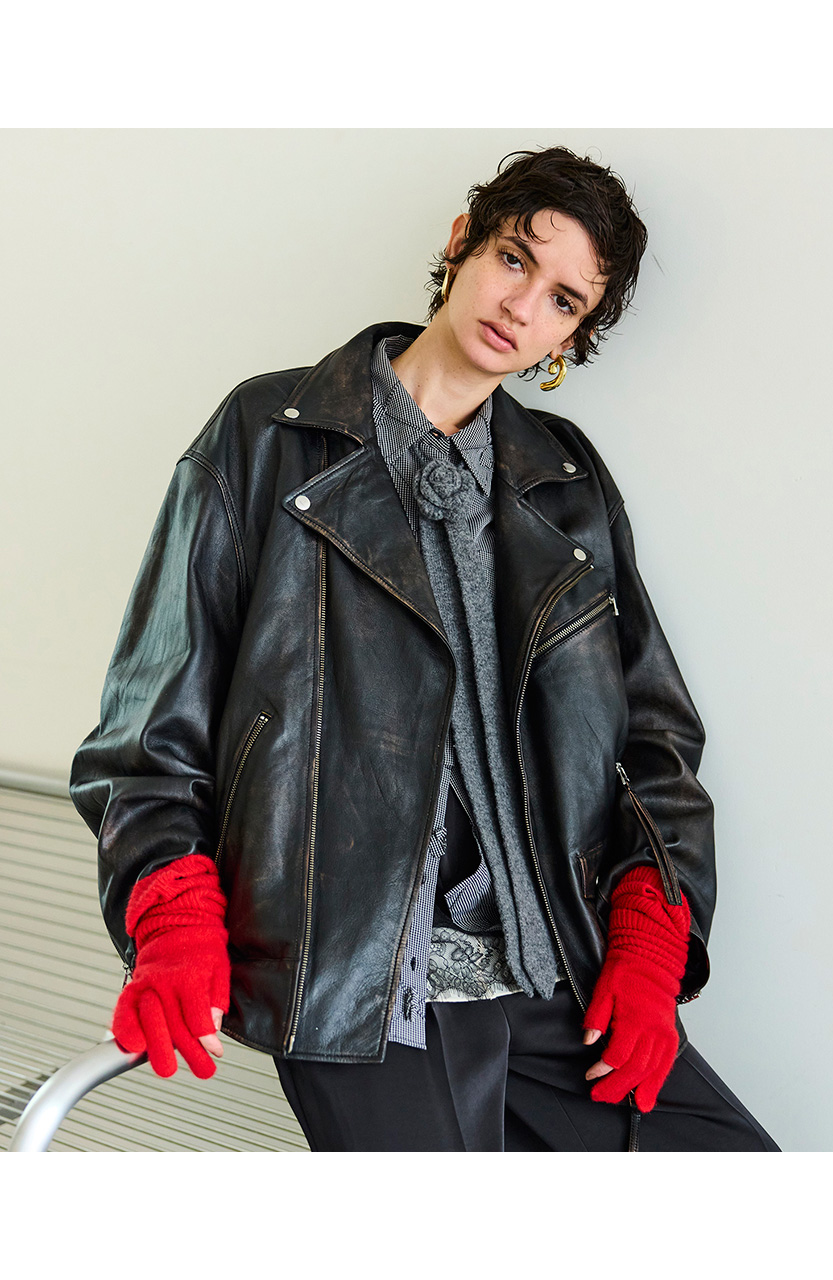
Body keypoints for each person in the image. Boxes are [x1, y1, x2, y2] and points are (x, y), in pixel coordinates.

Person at [70, 145, 780, 1152]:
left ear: (571, 336)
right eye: (513, 258)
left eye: (564, 300)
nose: (521, 306)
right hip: (362, 985)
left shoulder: (567, 483)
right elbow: (147, 733)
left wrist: (651, 934)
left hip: (557, 971)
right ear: (461, 244)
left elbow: (654, 739)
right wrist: (173, 915)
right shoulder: (266, 436)